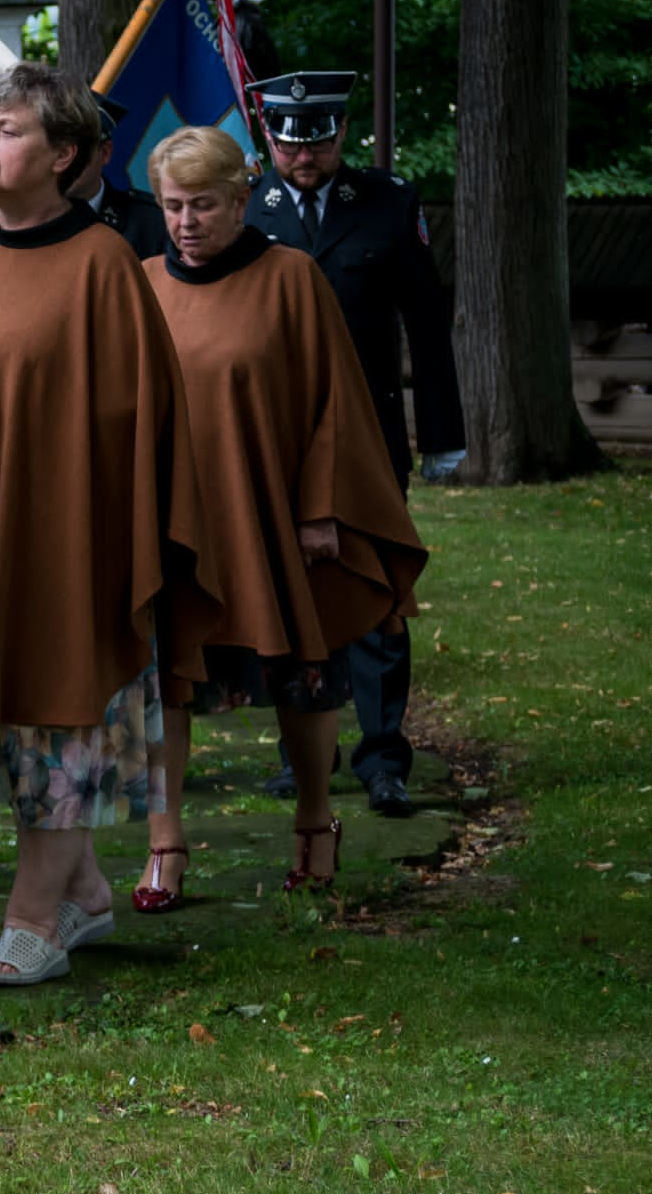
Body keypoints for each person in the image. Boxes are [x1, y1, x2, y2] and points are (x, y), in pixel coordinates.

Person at [0, 62, 217, 988]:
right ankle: (88, 889)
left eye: (9, 129)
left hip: (67, 540)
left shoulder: (103, 264)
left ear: (65, 154)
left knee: (58, 720)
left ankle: (33, 919)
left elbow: (135, 417)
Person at [138, 127, 427, 908]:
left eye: (203, 204)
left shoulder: (292, 277)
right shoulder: (140, 284)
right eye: (172, 205)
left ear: (241, 198)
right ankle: (165, 844)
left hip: (270, 513)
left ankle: (314, 818)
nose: (187, 221)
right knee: (166, 680)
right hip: (174, 523)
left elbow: (336, 399)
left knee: (303, 675)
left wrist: (321, 510)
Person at [244, 71, 462, 817]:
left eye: (321, 141)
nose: (305, 158)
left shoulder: (389, 205)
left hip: (366, 436)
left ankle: (383, 755)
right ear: (269, 138)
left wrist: (440, 436)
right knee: (291, 596)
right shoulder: (245, 210)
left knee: (373, 591)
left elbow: (427, 328)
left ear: (341, 135)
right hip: (275, 440)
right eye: (290, 143)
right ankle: (302, 750)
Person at [71, 93, 166, 259]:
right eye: (54, 149)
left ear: (105, 152)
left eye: (76, 150)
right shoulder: (21, 215)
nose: (63, 161)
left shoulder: (152, 222)